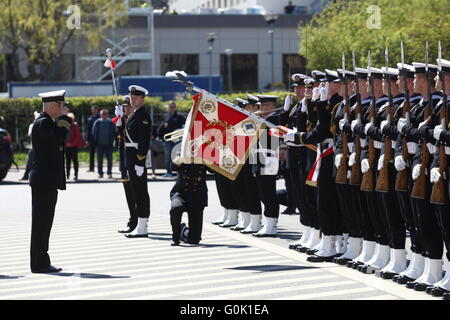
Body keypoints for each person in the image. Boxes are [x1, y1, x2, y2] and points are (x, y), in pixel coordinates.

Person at [29, 90, 72, 273]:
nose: (64, 109)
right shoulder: (43, 123)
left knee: (44, 222)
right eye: (61, 106)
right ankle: (39, 263)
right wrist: (67, 118)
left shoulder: (46, 123)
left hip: (45, 180)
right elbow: (59, 135)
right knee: (41, 223)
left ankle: (41, 261)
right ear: (53, 106)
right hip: (43, 181)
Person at [123, 85, 152, 238]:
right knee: (135, 191)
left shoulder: (143, 115)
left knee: (140, 192)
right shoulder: (134, 114)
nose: (132, 100)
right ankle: (140, 224)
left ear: (142, 99)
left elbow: (144, 141)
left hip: (136, 158)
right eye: (131, 97)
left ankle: (142, 226)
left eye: (135, 98)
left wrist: (140, 161)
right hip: (131, 157)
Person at [252, 95, 281, 237]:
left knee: (268, 192)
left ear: (271, 106)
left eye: (264, 106)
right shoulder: (263, 120)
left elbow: (272, 140)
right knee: (262, 192)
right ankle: (268, 222)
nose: (260, 108)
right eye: (260, 106)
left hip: (269, 159)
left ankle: (271, 223)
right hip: (258, 157)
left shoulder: (275, 120)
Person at [169, 153, 208, 246]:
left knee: (194, 240)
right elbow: (172, 167)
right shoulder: (182, 149)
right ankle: (175, 237)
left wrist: (209, 159)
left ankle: (183, 229)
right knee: (176, 208)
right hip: (181, 192)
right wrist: (179, 160)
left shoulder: (206, 151)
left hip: (197, 195)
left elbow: (214, 170)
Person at [114, 96, 138, 234]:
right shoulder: (126, 119)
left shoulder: (134, 119)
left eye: (127, 106)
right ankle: (132, 220)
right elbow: (120, 136)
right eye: (123, 107)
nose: (125, 108)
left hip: (132, 160)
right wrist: (118, 120)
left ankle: (136, 221)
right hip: (124, 160)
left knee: (134, 193)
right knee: (128, 193)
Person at [158, 101, 185, 178]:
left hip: (177, 140)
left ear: (175, 107)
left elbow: (184, 127)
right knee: (168, 157)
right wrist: (161, 138)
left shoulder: (180, 117)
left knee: (178, 157)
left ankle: (178, 173)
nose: (171, 109)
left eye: (173, 107)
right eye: (170, 107)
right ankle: (168, 172)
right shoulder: (166, 117)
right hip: (168, 140)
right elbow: (161, 128)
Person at [92, 109, 117, 179]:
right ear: (100, 115)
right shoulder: (97, 122)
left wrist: (113, 141)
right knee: (99, 160)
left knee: (110, 160)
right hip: (99, 144)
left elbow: (114, 132)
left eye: (105, 114)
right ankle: (100, 173)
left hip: (108, 144)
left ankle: (109, 173)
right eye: (102, 114)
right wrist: (95, 141)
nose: (104, 115)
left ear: (107, 114)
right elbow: (94, 132)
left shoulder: (111, 122)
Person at [65, 112, 85, 181]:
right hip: (67, 147)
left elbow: (77, 137)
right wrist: (66, 143)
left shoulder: (75, 126)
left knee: (75, 161)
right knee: (68, 161)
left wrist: (71, 144)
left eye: (71, 118)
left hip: (74, 146)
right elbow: (63, 136)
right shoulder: (65, 126)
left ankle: (76, 175)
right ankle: (67, 175)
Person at [21, 111, 40, 181]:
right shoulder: (32, 125)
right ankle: (26, 175)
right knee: (30, 162)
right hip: (34, 147)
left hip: (36, 147)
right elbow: (30, 135)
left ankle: (28, 175)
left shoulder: (33, 125)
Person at [86, 105, 99, 172]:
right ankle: (91, 168)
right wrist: (87, 140)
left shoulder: (100, 118)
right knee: (91, 154)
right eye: (93, 110)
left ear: (97, 110)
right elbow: (88, 131)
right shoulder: (89, 119)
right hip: (91, 139)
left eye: (95, 110)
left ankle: (100, 168)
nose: (94, 111)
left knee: (100, 154)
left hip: (98, 139)